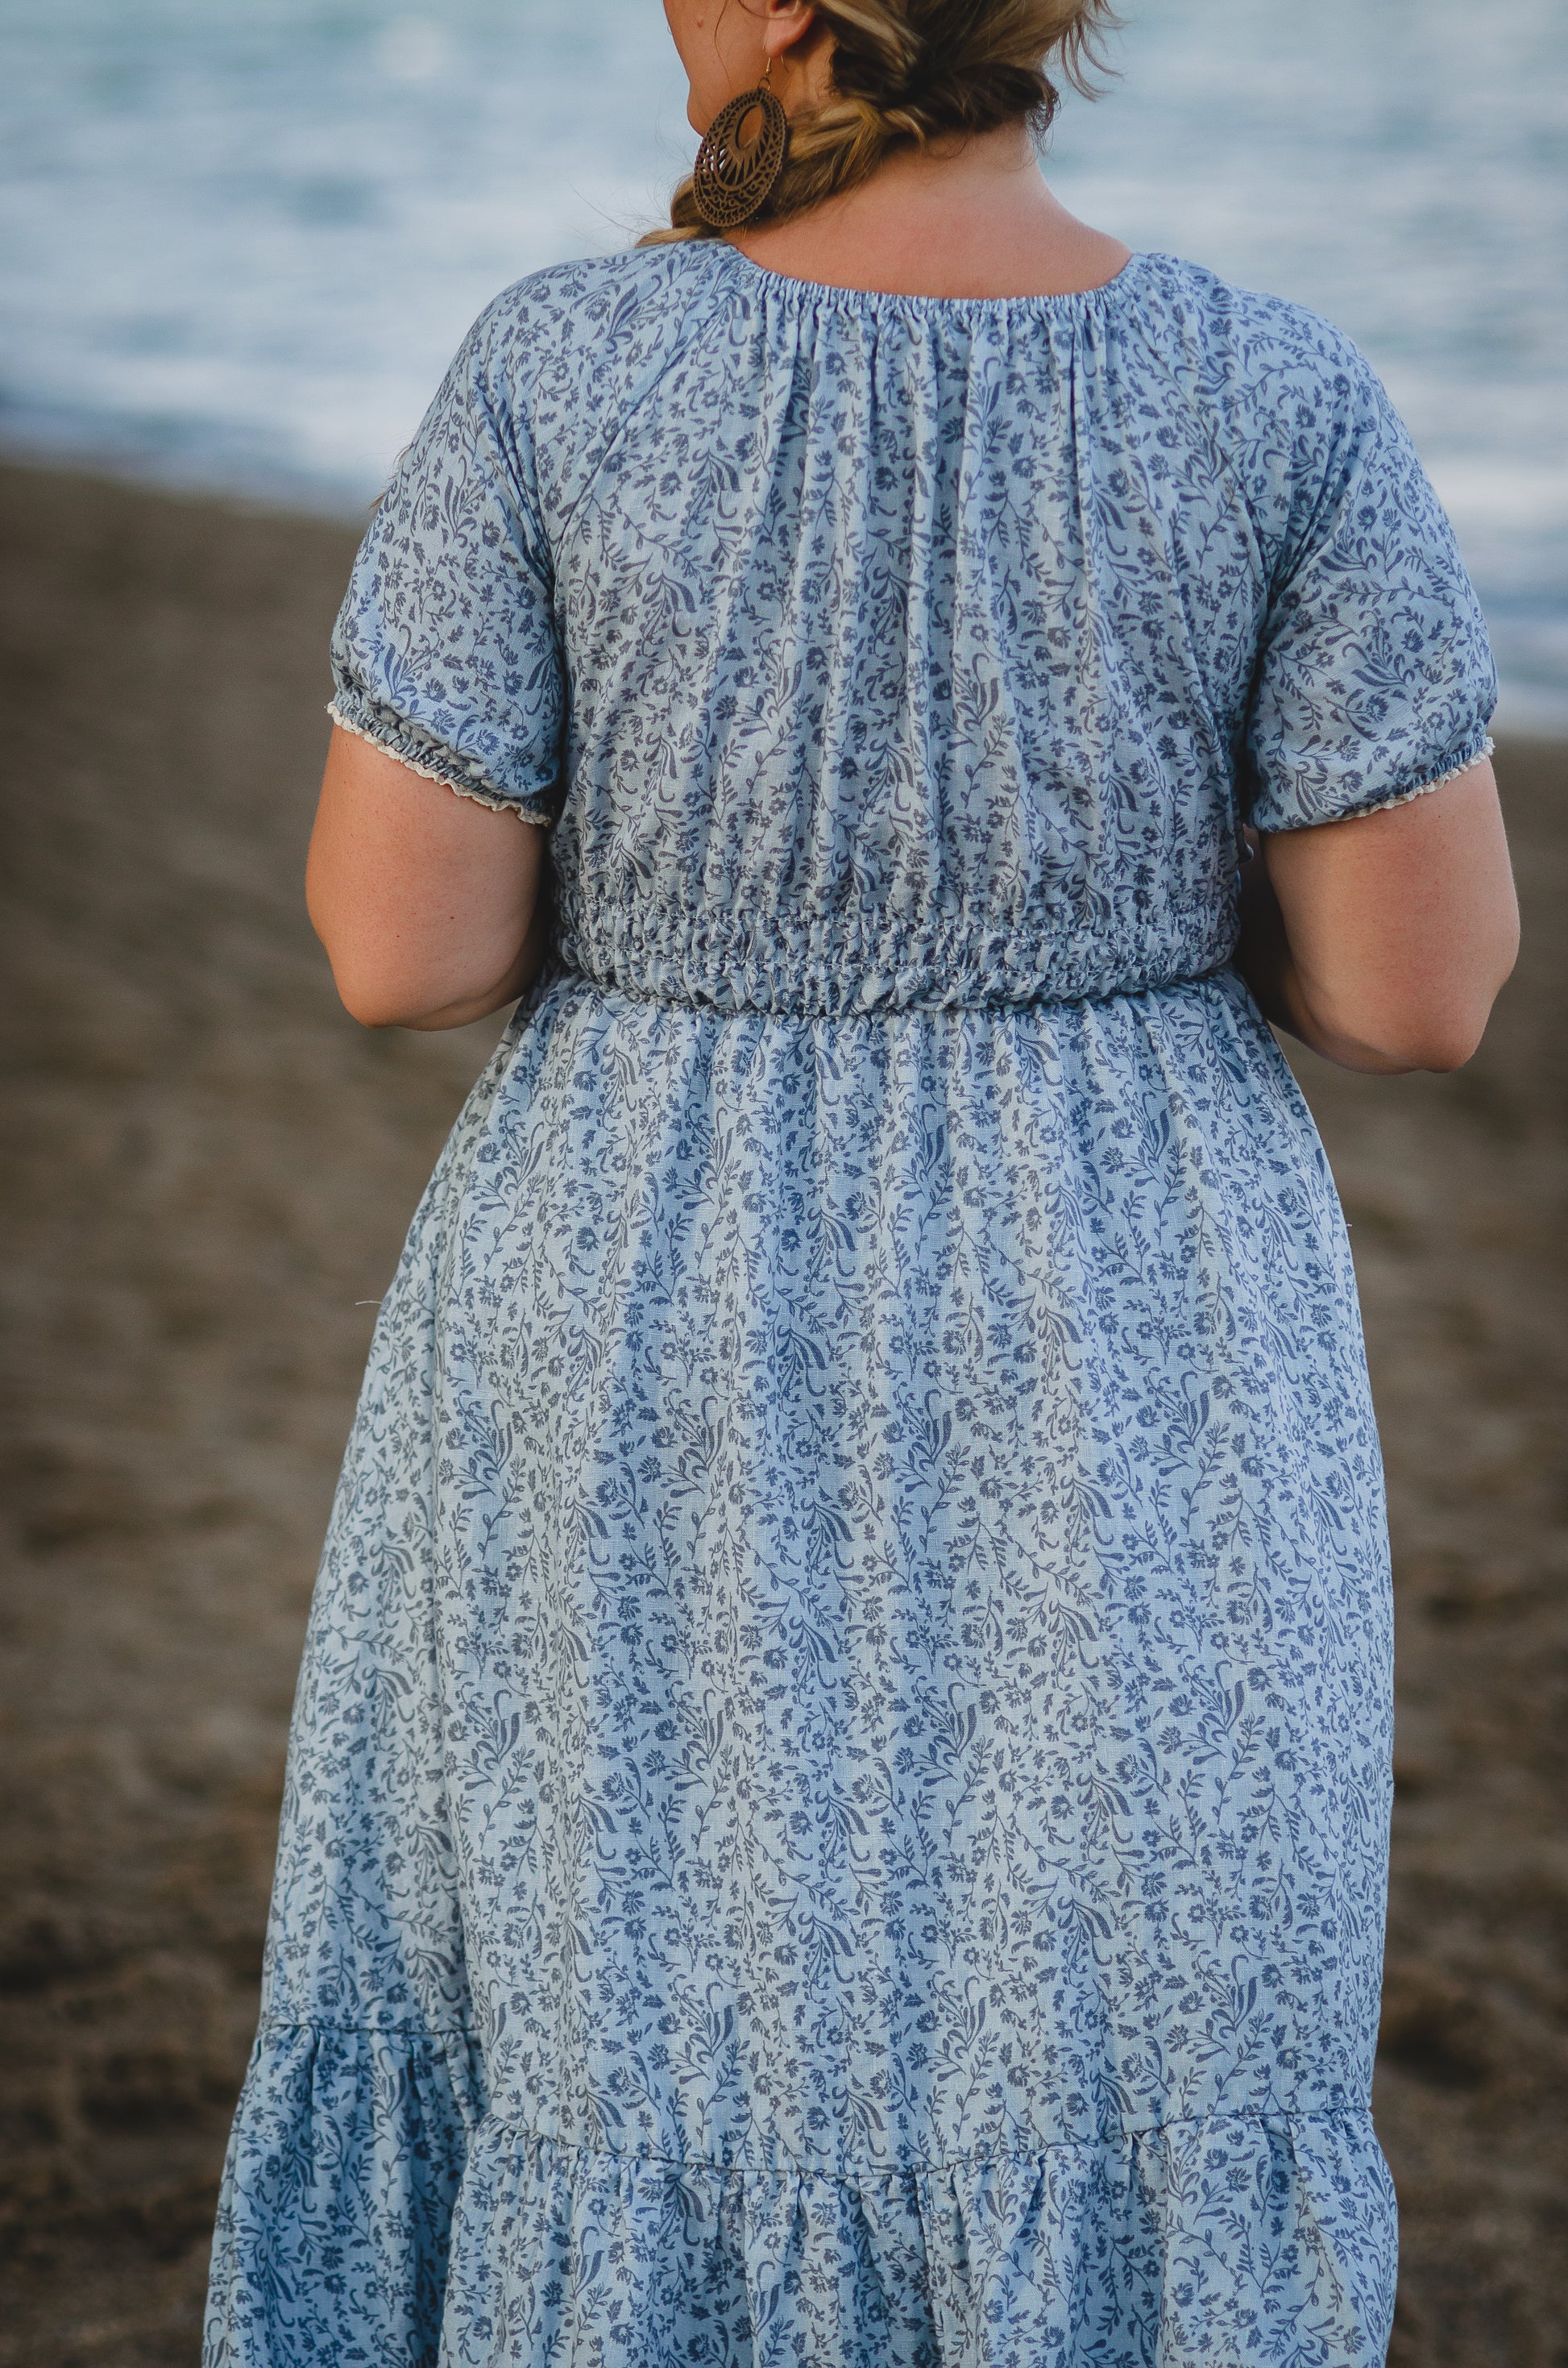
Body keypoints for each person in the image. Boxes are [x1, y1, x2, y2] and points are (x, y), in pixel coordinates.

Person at [202, 0, 1519, 2359]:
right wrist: (1092, 928)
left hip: (642, 1276)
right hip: (1134, 1299)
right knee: (1112, 2042)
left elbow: (402, 954)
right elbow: (1417, 992)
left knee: (641, 2021)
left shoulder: (559, 367)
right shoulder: (1277, 393)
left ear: (789, 12)